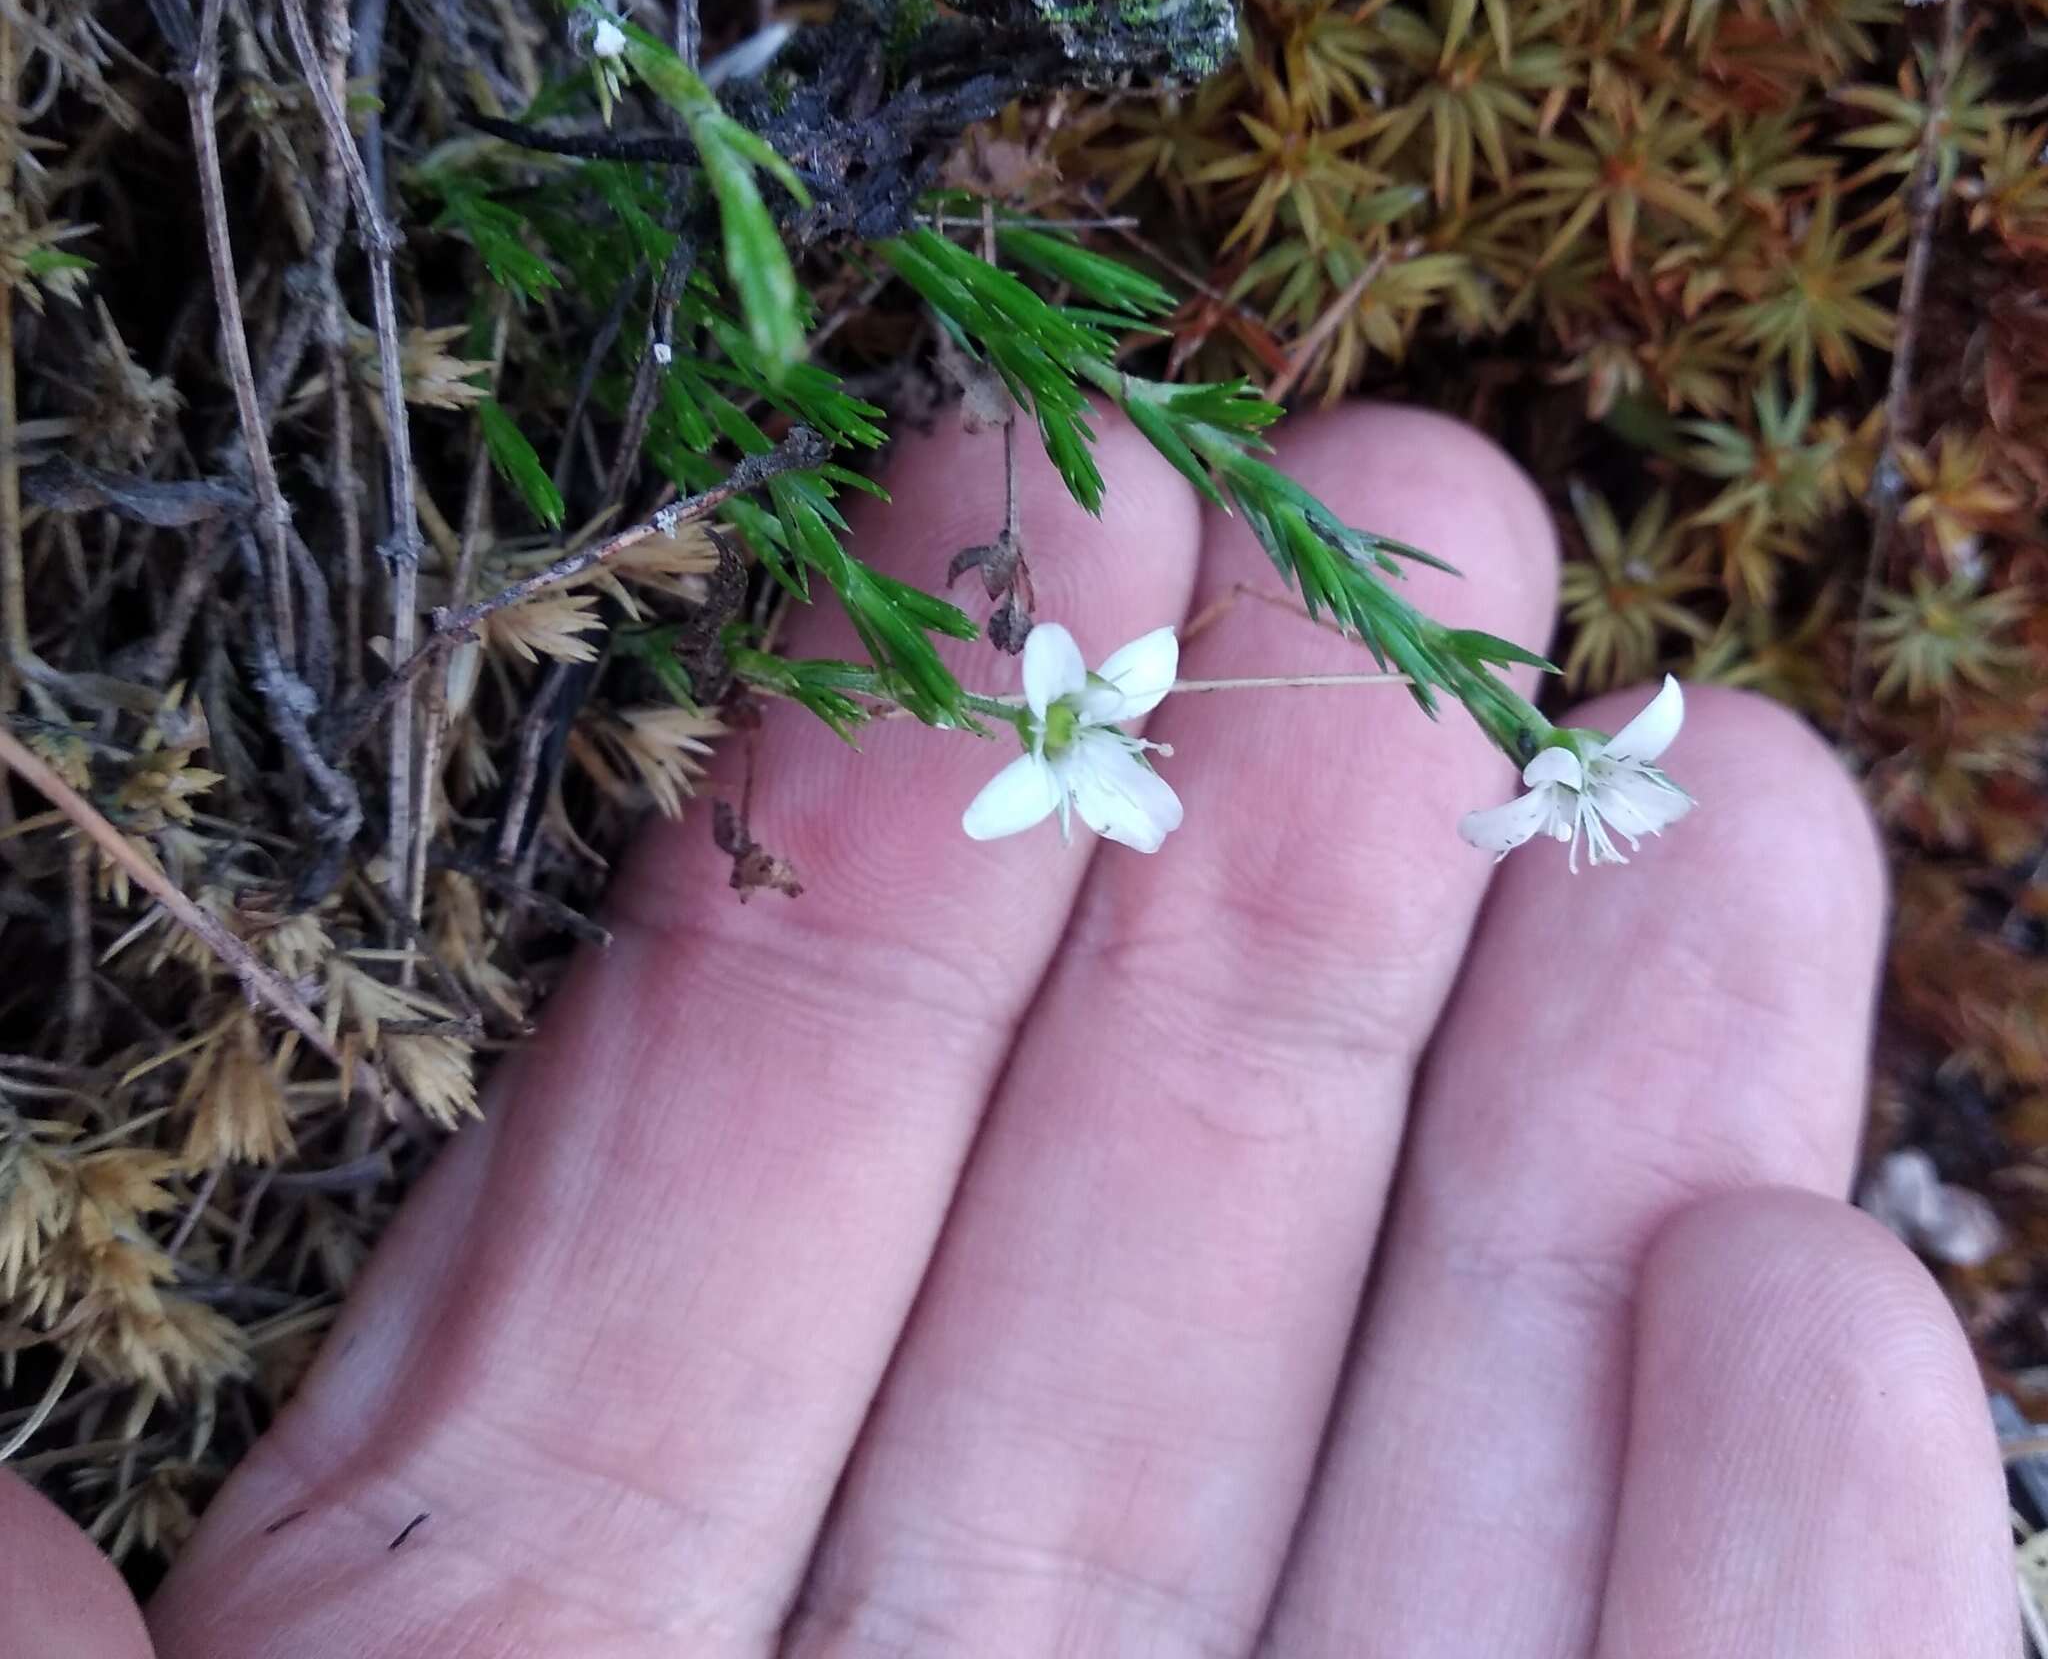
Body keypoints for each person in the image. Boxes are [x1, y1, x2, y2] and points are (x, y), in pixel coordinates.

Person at [3, 407, 2018, 1657]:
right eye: (1062, 721)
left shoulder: (1114, 741)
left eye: (1071, 723)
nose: (1062, 729)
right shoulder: (1081, 726)